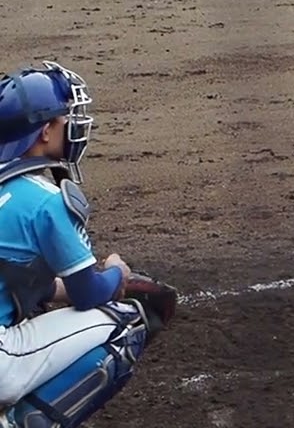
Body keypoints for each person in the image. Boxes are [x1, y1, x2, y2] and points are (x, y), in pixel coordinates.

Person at [0, 61, 163, 428]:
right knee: (126, 323)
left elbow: (13, 278)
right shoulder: (44, 201)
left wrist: (58, 291)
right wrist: (116, 273)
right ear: (45, 131)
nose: (73, 125)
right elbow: (89, 293)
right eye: (64, 118)